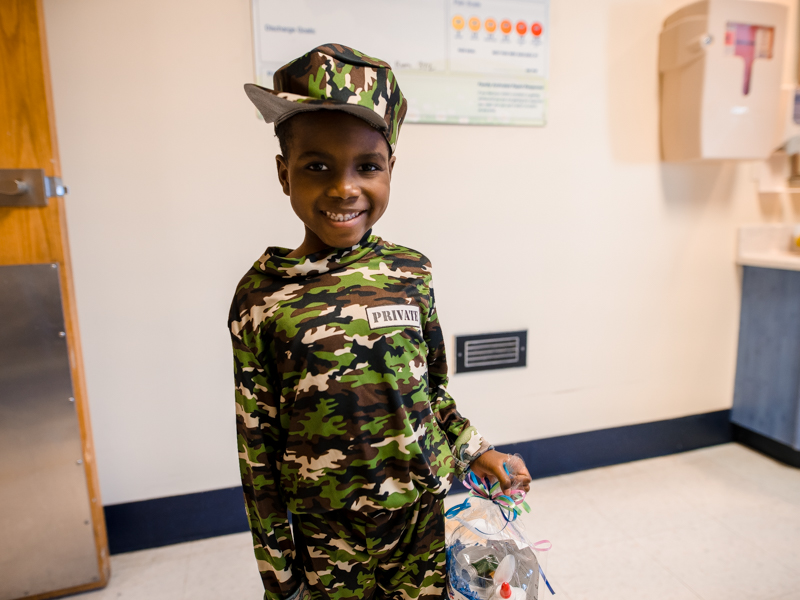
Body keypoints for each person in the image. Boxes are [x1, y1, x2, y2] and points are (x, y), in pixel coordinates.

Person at [229, 44, 531, 600]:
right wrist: (280, 576)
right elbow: (258, 450)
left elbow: (430, 395)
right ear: (283, 173)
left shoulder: (411, 272)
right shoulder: (262, 298)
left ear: (390, 169)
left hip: (418, 520)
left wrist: (479, 451)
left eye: (367, 166)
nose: (344, 188)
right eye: (316, 166)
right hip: (327, 535)